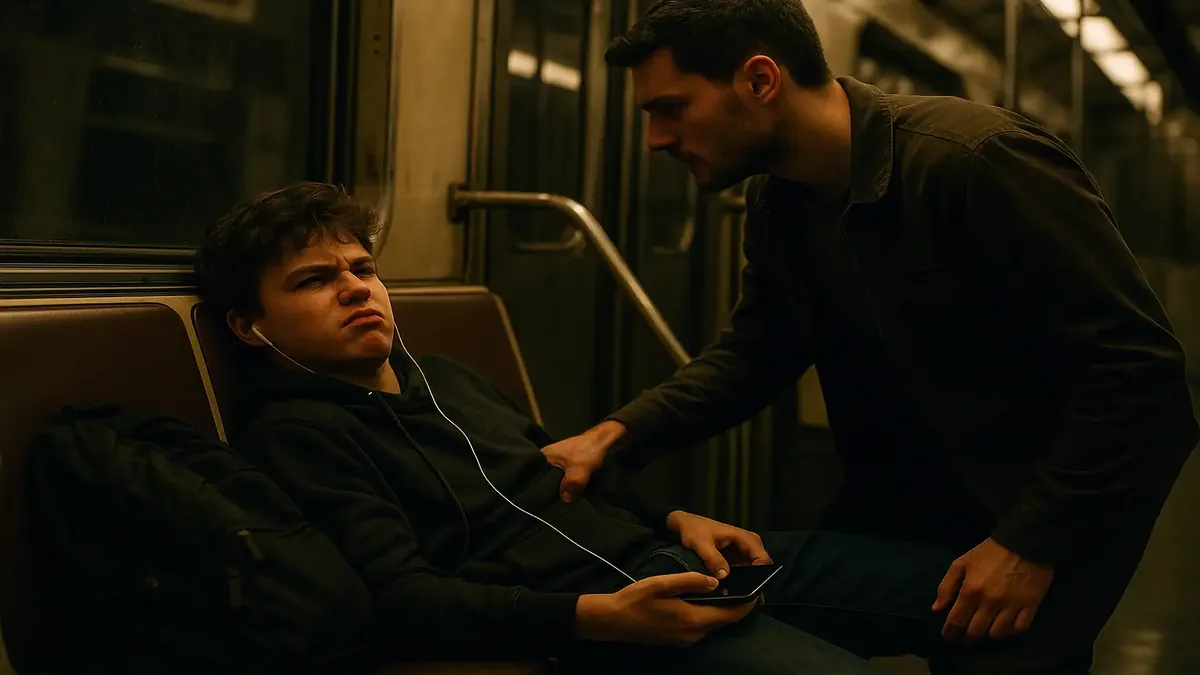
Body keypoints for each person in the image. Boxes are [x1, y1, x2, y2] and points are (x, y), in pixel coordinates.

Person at [540, 1, 1199, 674]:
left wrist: (1031, 543)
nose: (655, 138)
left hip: (1044, 513)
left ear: (761, 80)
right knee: (689, 602)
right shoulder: (782, 202)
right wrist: (618, 433)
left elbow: (1139, 370)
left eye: (672, 108)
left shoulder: (974, 160)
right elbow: (756, 352)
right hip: (911, 502)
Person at [193, 182, 962, 674]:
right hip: (587, 621)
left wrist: (674, 515)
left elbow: (560, 471)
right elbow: (403, 596)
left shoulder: (445, 376)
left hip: (661, 558)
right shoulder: (297, 435)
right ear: (250, 326)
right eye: (315, 281)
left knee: (971, 595)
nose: (356, 290)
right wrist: (597, 617)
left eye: (362, 269)